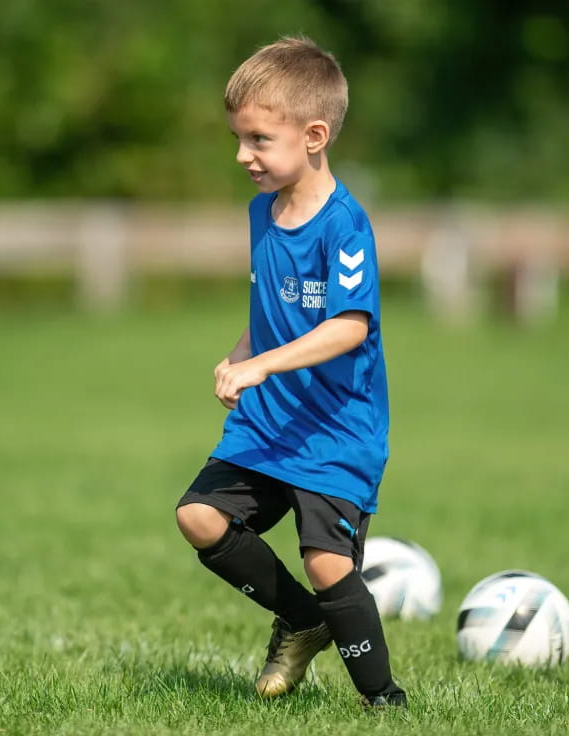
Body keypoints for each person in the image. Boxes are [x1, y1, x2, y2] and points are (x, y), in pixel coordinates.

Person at [175, 35, 407, 709]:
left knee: (329, 563)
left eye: (257, 140)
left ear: (312, 135)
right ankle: (303, 621)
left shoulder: (346, 225)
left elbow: (348, 325)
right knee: (199, 517)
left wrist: (261, 366)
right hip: (270, 420)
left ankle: (383, 702)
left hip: (338, 430)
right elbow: (271, 306)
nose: (243, 156)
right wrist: (243, 353)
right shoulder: (262, 213)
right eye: (239, 139)